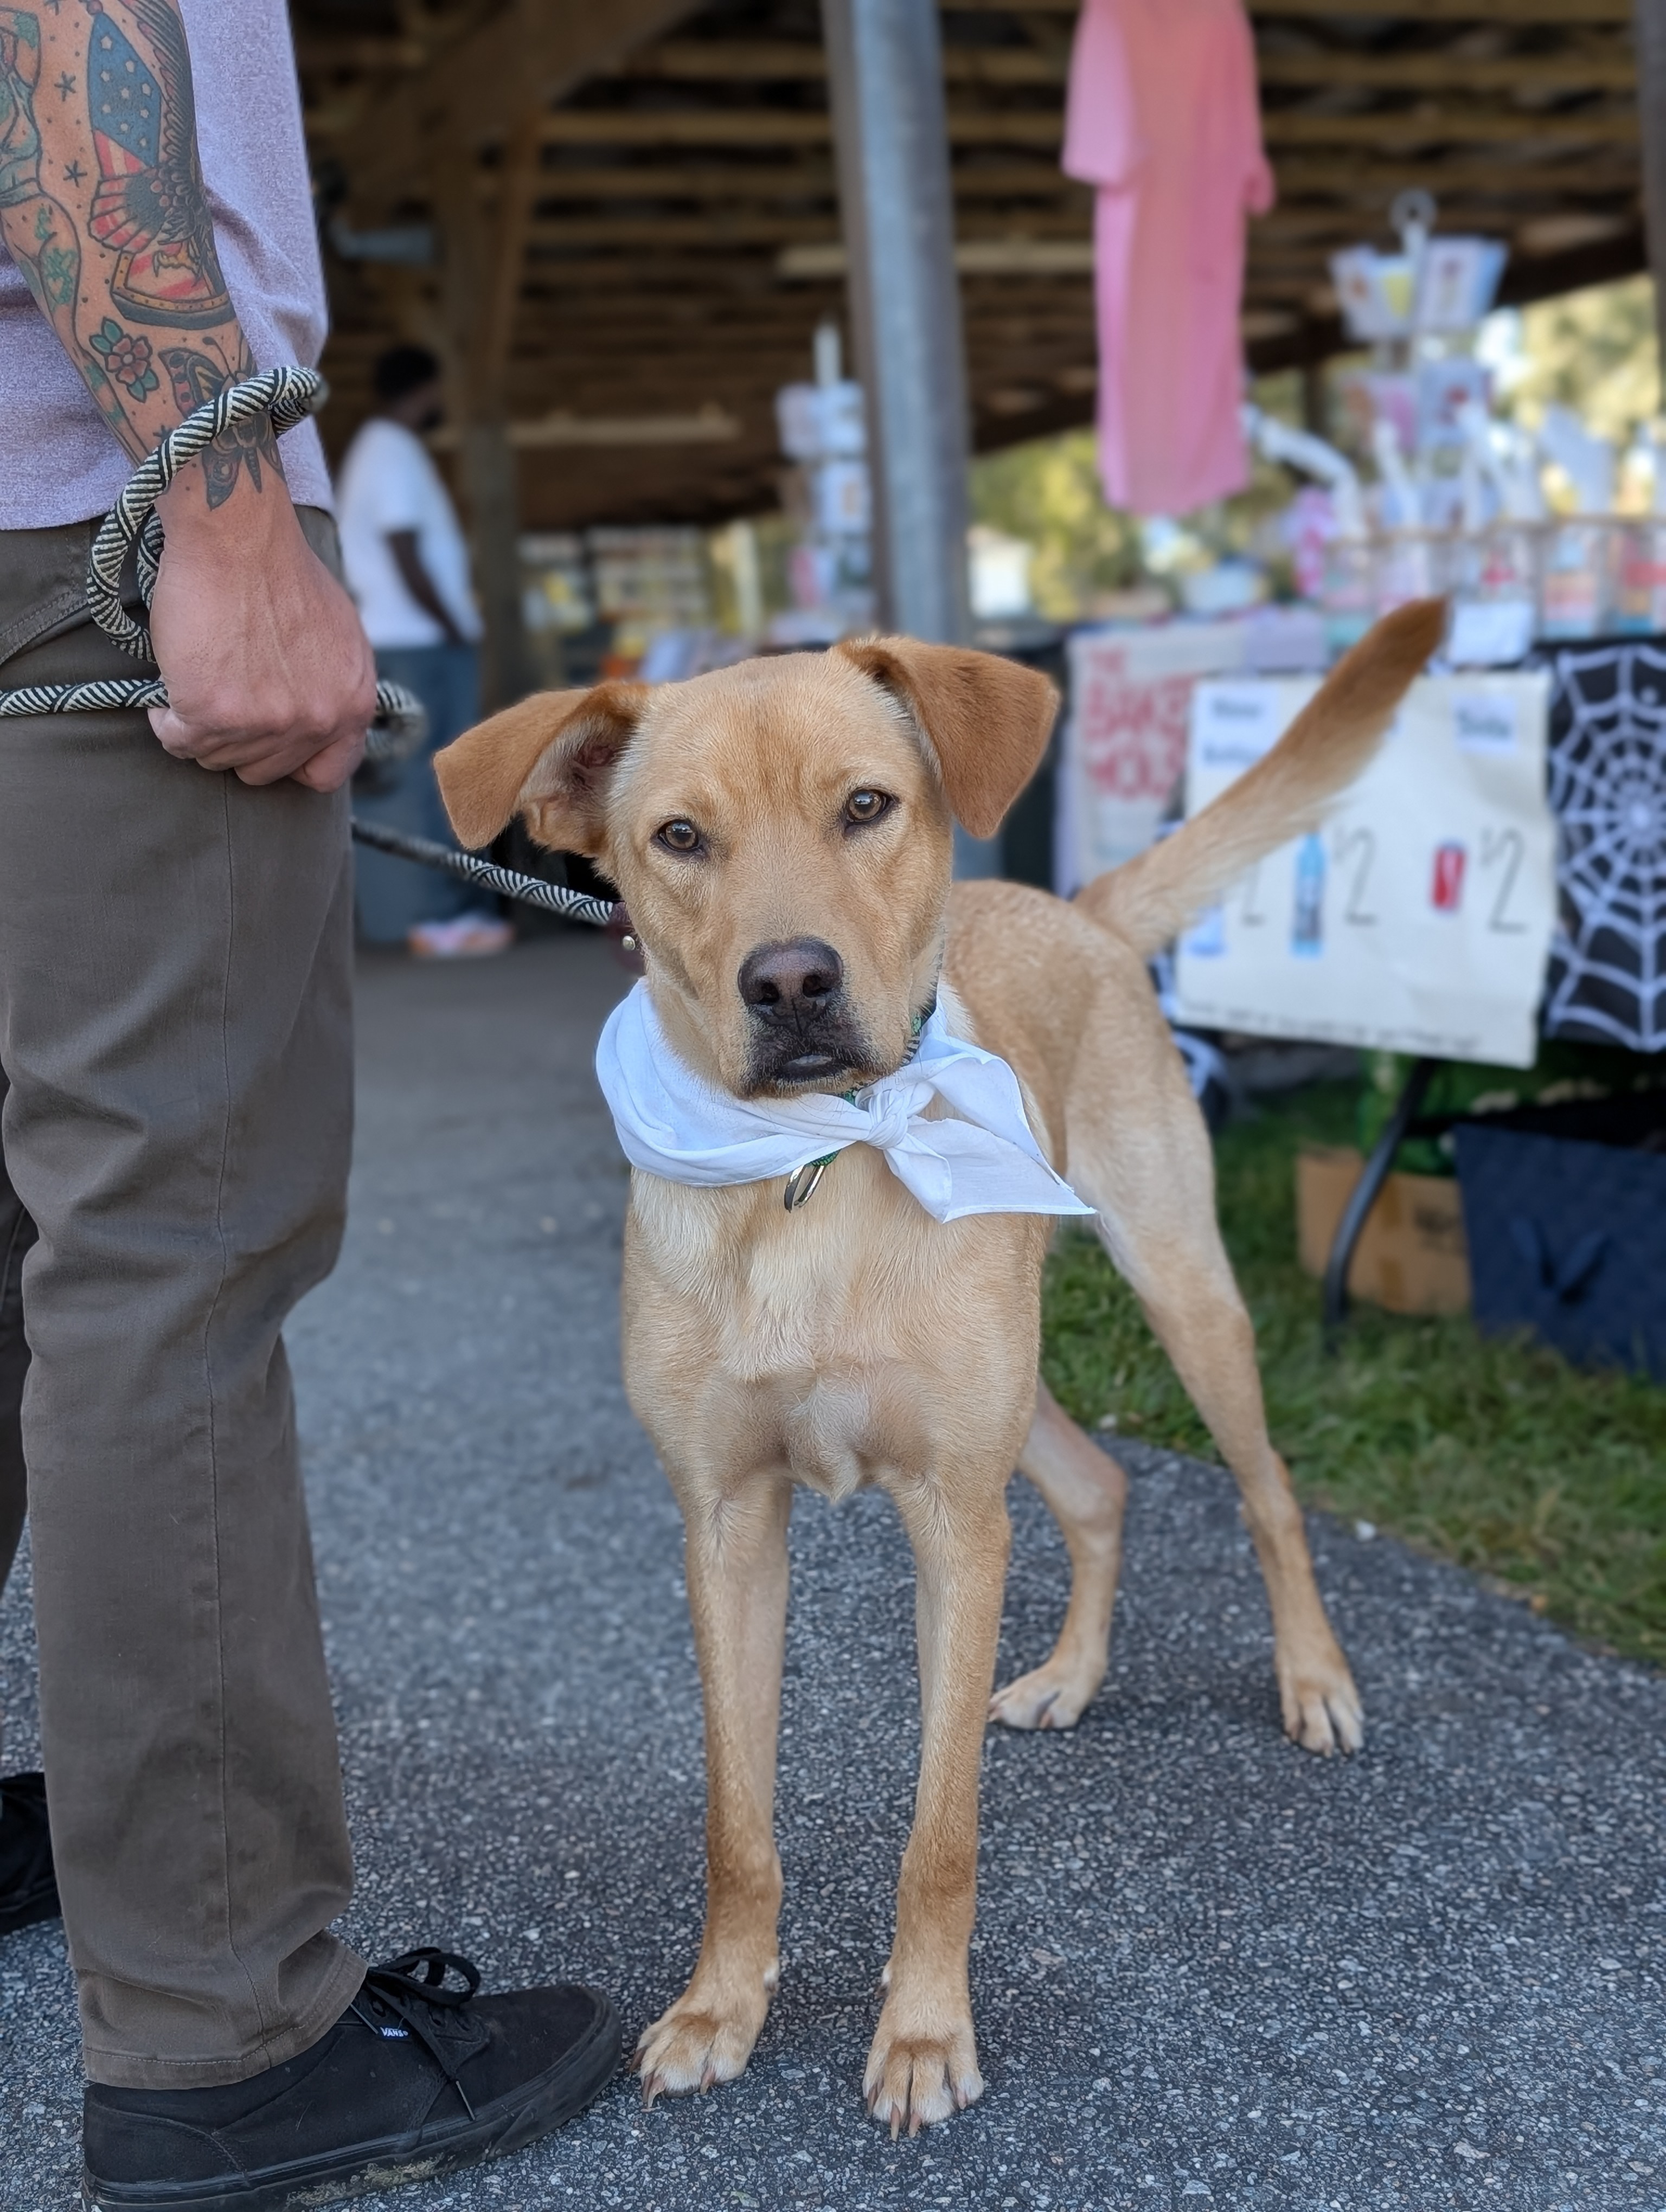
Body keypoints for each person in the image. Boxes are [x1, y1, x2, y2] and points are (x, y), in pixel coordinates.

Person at [0, 5, 619, 2207]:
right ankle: (225, 2030)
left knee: (22, 1226)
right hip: (77, 506)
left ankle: (120, 1869)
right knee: (171, 1237)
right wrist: (227, 500)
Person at [339, 342, 512, 958]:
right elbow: (403, 547)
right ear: (426, 388)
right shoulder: (390, 450)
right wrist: (449, 624)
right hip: (419, 642)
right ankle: (440, 917)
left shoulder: (381, 448)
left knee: (417, 778)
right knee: (438, 779)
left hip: (405, 639)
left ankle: (427, 915)